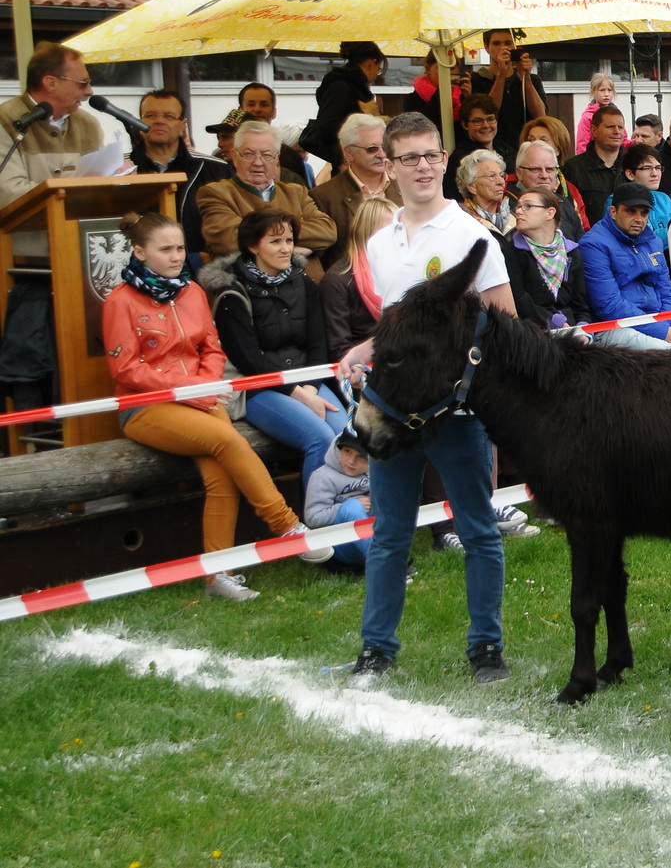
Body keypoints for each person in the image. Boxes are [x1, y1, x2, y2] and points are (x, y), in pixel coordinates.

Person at [339, 111, 519, 688]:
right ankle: (376, 650)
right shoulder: (378, 241)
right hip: (392, 410)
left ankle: (486, 648)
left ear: (444, 160)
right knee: (389, 532)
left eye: (430, 155)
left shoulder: (472, 236)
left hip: (455, 413)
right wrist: (364, 348)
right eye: (409, 157)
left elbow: (506, 320)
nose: (422, 166)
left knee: (477, 529)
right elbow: (398, 326)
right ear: (387, 167)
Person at [105, 212, 330, 602]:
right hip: (146, 407)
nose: (177, 256)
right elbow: (126, 370)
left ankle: (217, 575)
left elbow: (212, 347)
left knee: (221, 477)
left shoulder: (192, 290)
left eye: (179, 248)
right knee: (229, 442)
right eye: (166, 250)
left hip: (203, 396)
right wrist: (192, 389)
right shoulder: (119, 301)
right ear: (139, 252)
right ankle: (287, 528)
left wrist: (205, 384)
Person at [201, 208, 346, 486]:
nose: (286, 249)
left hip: (306, 379)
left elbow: (318, 344)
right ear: (253, 245)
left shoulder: (304, 282)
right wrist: (300, 396)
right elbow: (249, 361)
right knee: (321, 439)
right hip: (258, 387)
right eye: (275, 241)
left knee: (345, 437)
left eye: (289, 241)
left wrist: (310, 388)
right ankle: (316, 520)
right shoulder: (233, 292)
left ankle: (346, 516)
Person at [198, 123, 339, 279]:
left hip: (308, 291)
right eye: (249, 154)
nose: (258, 162)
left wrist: (262, 239)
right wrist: (293, 247)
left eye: (266, 155)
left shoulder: (296, 192)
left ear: (277, 159)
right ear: (234, 156)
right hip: (252, 294)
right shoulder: (216, 193)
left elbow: (328, 232)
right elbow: (229, 241)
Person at [0, 43, 114, 215]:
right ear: (51, 83)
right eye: (83, 83)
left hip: (78, 237)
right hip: (27, 239)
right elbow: (9, 194)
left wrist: (117, 176)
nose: (90, 91)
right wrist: (77, 192)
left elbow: (99, 183)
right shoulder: (6, 120)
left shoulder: (88, 124)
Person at [129, 89, 232, 267]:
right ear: (139, 123)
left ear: (182, 125)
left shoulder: (217, 170)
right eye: (151, 115)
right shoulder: (118, 170)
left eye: (169, 116)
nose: (159, 121)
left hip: (201, 274)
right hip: (136, 273)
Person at [577, 181, 671, 350]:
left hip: (654, 323)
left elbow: (667, 293)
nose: (639, 219)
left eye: (644, 213)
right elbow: (607, 304)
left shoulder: (653, 241)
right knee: (670, 353)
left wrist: (667, 324)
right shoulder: (593, 244)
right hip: (612, 326)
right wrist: (660, 329)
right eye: (631, 211)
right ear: (613, 211)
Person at [310, 114, 399, 270]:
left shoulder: (404, 185)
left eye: (384, 146)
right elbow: (324, 257)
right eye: (372, 149)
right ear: (349, 153)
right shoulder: (323, 196)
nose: (381, 154)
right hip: (352, 285)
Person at [501, 186, 592, 331]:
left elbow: (580, 304)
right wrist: (553, 321)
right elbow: (519, 300)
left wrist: (584, 328)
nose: (518, 211)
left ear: (550, 213)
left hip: (571, 331)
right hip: (534, 334)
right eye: (518, 207)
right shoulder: (511, 252)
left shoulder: (571, 251)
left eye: (527, 206)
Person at [321, 195, 396, 356]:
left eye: (399, 229)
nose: (397, 236)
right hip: (362, 369)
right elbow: (339, 348)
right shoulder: (337, 280)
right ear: (366, 232)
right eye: (388, 230)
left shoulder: (403, 271)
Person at [301, 41, 384, 165]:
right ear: (370, 64)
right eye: (378, 70)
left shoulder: (352, 85)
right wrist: (365, 116)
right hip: (346, 165)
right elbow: (327, 130)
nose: (376, 76)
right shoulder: (341, 86)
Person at [471, 29, 547, 153]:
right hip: (491, 149)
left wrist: (526, 78)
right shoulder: (478, 79)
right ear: (486, 47)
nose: (503, 48)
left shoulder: (533, 79)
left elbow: (540, 115)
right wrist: (501, 75)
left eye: (508, 43)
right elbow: (489, 112)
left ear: (515, 46)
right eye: (496, 43)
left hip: (526, 149)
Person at [305, 434, 375, 570]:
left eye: (361, 456)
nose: (351, 461)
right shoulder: (323, 477)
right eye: (347, 451)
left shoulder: (375, 473)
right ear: (338, 450)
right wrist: (347, 507)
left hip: (374, 534)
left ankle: (390, 556)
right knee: (352, 508)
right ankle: (384, 564)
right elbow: (313, 518)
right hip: (340, 546)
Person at [509, 138, 588, 245]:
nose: (544, 176)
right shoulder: (508, 205)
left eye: (550, 169)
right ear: (519, 173)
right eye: (535, 169)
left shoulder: (564, 202)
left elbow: (582, 243)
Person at [562, 103, 628, 224]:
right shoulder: (574, 168)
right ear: (594, 130)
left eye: (620, 127)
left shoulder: (633, 164)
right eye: (610, 127)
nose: (617, 131)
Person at [604, 143, 671, 243]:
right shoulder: (617, 200)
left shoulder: (663, 198)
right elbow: (642, 238)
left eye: (658, 168)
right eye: (647, 168)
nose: (655, 174)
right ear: (630, 174)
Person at [455, 149, 514, 238]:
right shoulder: (462, 223)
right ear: (472, 186)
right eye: (491, 176)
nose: (501, 182)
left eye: (501, 175)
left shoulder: (515, 216)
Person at [571, 73, 617, 155]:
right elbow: (582, 145)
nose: (606, 94)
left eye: (609, 90)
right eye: (602, 90)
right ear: (593, 92)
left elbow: (623, 140)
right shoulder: (588, 117)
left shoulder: (616, 115)